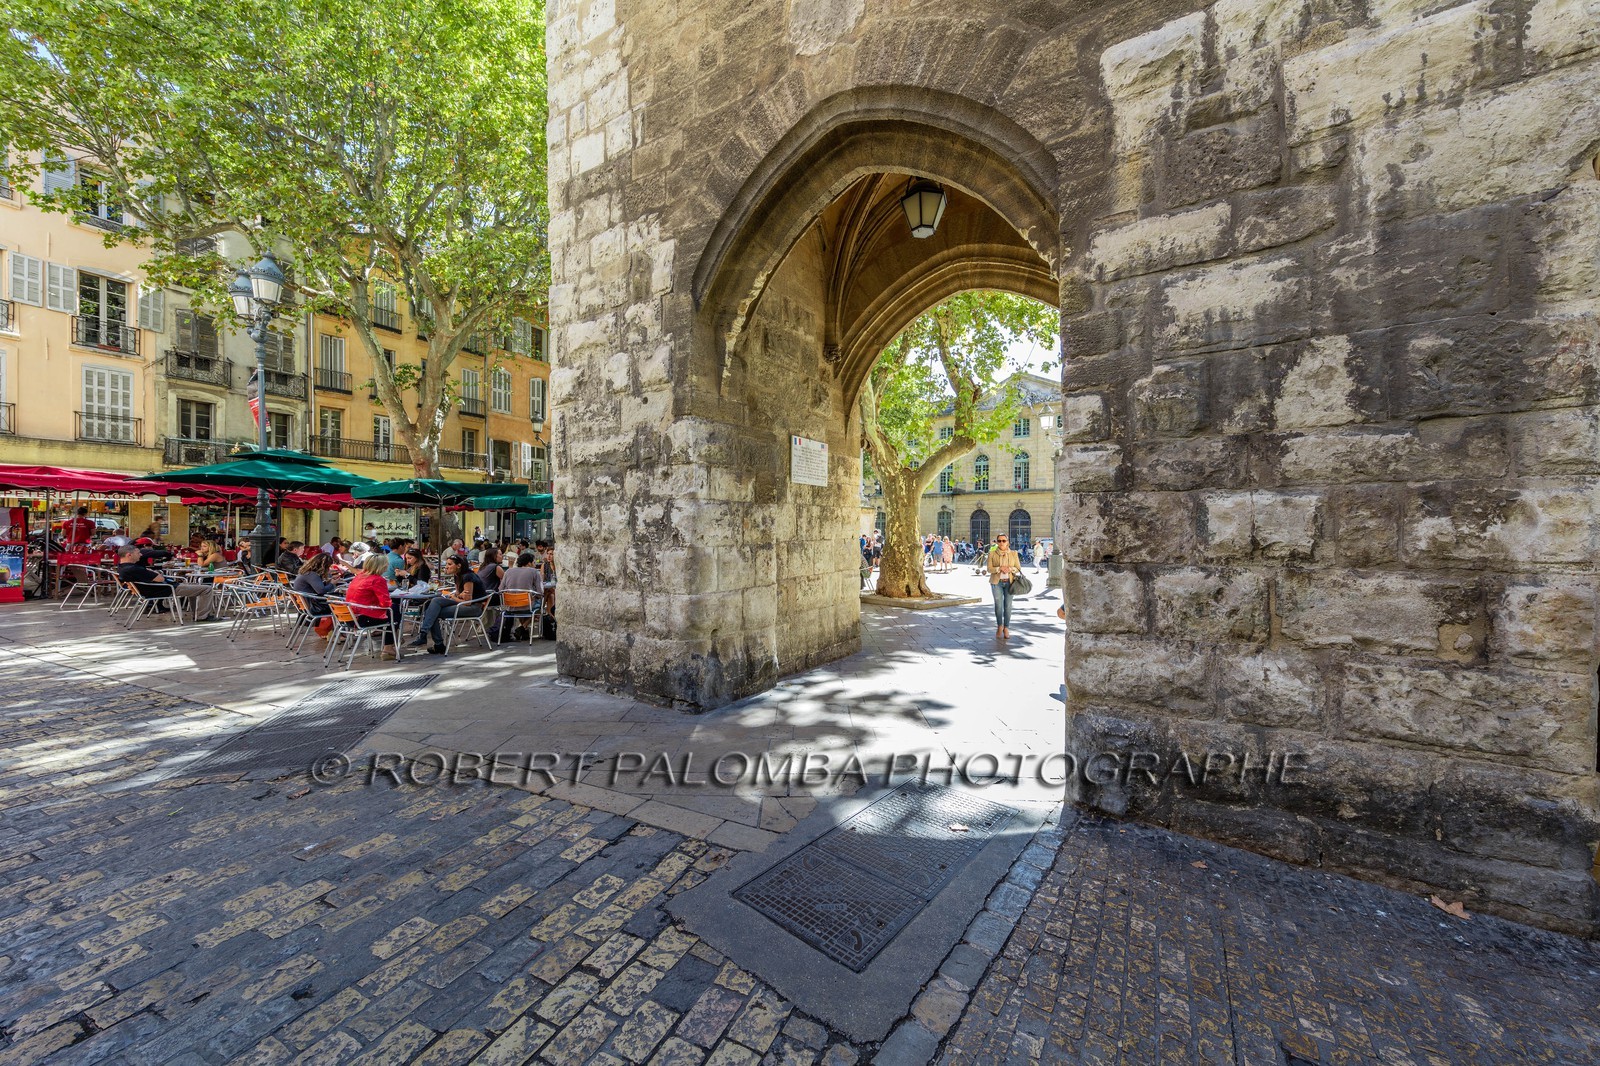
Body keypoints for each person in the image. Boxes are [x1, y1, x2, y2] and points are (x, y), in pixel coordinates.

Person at [411, 555, 486, 655]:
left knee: (433, 612)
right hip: (462, 603)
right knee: (434, 602)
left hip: (473, 608)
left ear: (459, 565)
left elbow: (467, 602)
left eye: (450, 564)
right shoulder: (457, 575)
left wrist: (452, 597)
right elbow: (459, 595)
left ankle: (434, 641)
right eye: (446, 564)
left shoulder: (468, 576)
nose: (446, 567)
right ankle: (426, 636)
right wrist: (456, 595)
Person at [344, 554, 399, 659]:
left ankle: (392, 639)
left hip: (349, 617)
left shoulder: (359, 576)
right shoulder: (377, 580)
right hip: (362, 619)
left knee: (392, 613)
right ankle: (388, 647)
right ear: (381, 566)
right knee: (394, 611)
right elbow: (386, 603)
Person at [500, 550, 544, 640]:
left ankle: (524, 631)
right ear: (529, 563)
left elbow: (500, 589)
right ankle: (522, 627)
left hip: (510, 606)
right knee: (541, 606)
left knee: (522, 603)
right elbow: (540, 592)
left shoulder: (508, 571)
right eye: (534, 562)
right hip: (527, 606)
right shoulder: (534, 572)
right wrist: (534, 595)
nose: (535, 564)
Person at [988, 533, 1021, 639]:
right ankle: (999, 626)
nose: (1001, 543)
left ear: (1008, 542)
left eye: (1004, 541)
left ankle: (1006, 627)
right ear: (997, 542)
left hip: (1010, 583)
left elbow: (1018, 568)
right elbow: (989, 568)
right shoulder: (992, 553)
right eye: (999, 541)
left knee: (1008, 606)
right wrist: (999, 568)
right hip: (996, 582)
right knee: (998, 606)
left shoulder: (1013, 553)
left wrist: (1010, 569)